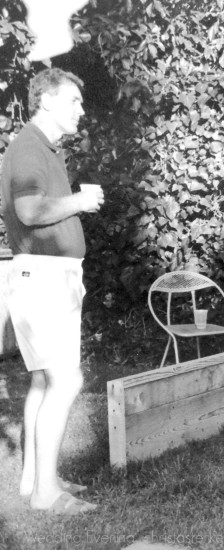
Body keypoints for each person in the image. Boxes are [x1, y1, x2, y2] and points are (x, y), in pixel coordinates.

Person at [1, 68, 104, 513]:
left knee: (43, 378)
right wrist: (81, 201)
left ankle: (34, 480)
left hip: (48, 276)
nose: (82, 109)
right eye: (74, 101)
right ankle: (46, 495)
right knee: (67, 379)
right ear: (46, 102)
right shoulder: (27, 148)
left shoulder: (44, 148)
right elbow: (28, 211)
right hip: (42, 278)